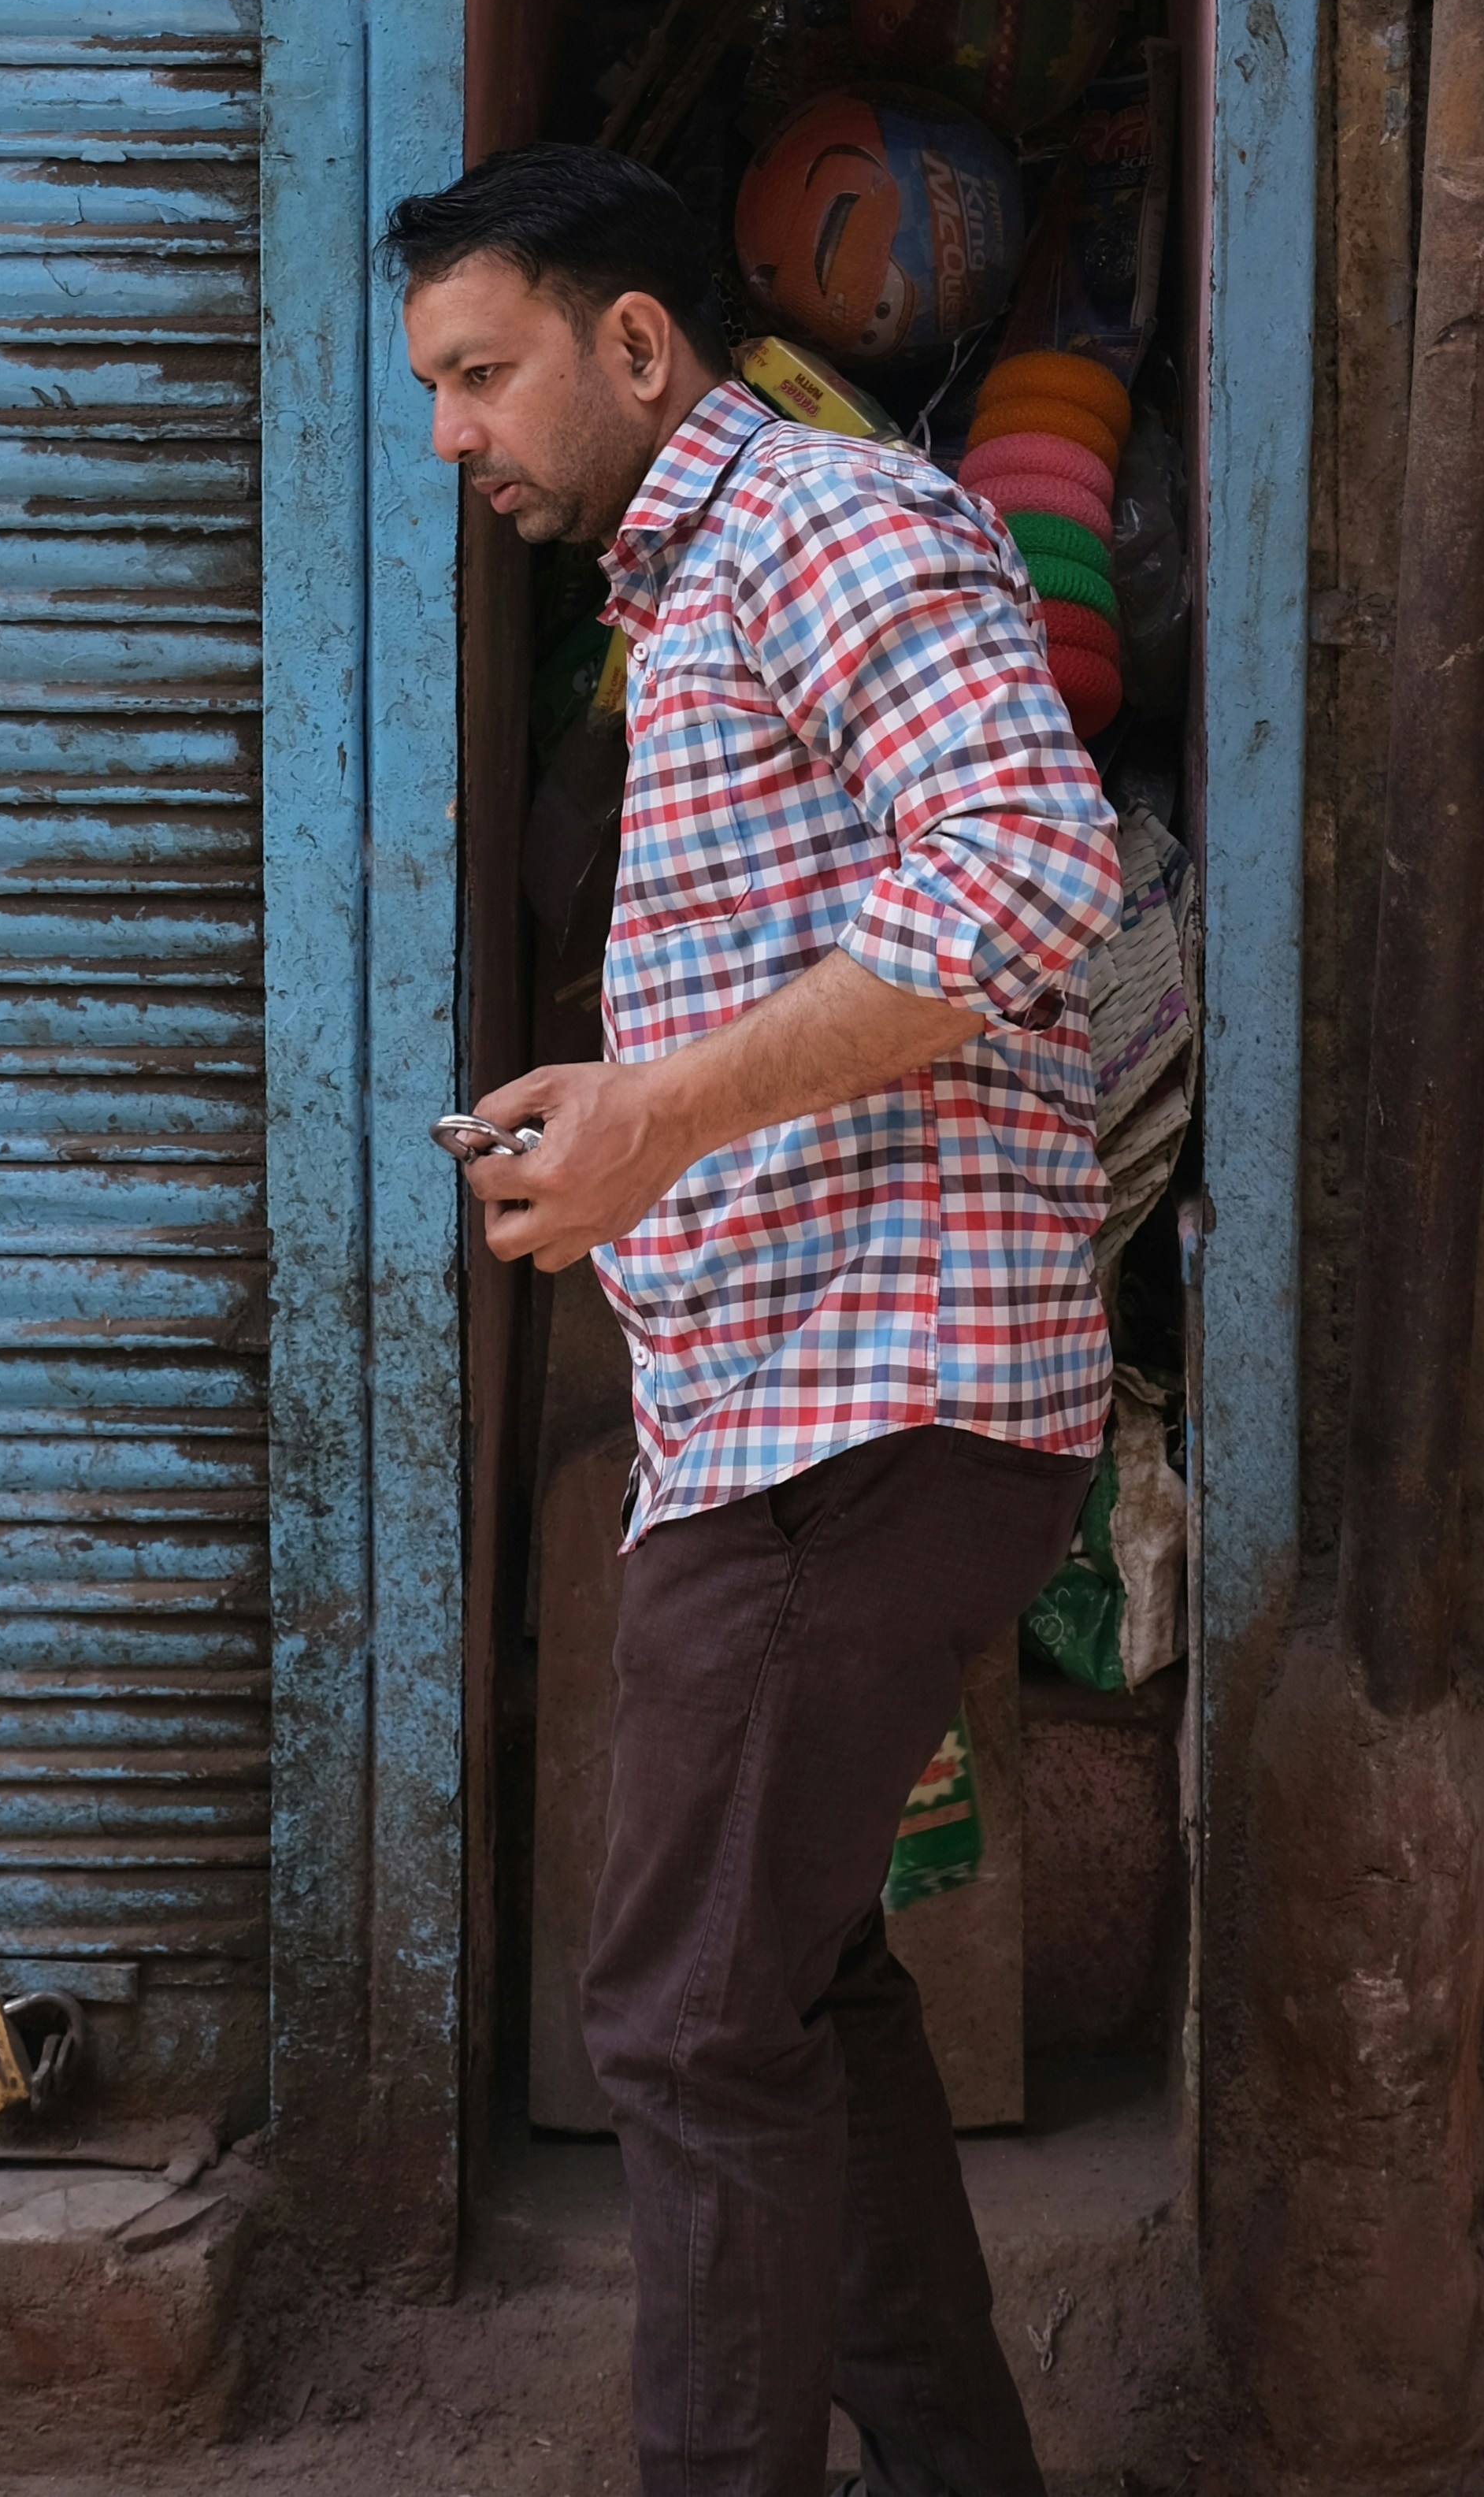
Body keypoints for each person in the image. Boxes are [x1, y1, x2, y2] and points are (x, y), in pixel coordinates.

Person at [393, 141, 1124, 2497]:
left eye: (481, 374)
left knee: (688, 2027)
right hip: (799, 1403)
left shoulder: (821, 526)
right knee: (787, 1992)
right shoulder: (695, 584)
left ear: (632, 341)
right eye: (432, 391)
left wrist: (659, 1125)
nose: (452, 438)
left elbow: (1026, 858)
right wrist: (625, 1126)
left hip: (862, 1400)